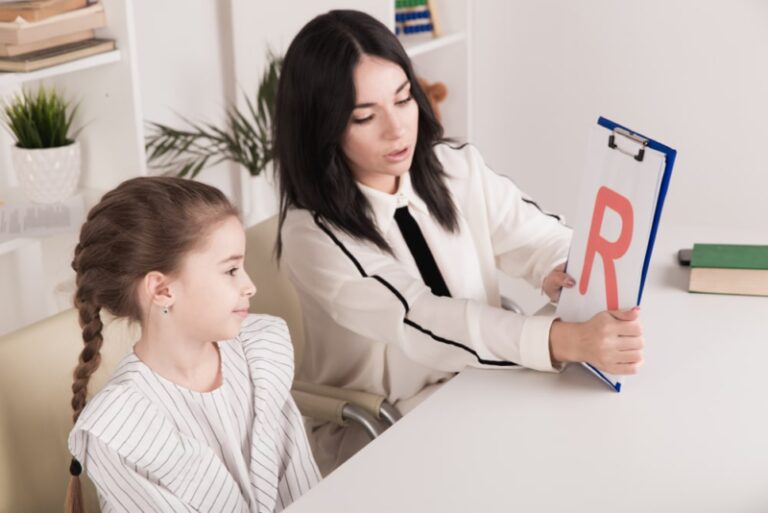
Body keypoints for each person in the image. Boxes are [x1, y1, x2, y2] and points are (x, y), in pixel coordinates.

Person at [274, 10, 644, 474]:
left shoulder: (454, 167)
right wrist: (557, 339)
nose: (397, 129)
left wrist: (562, 272)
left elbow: (541, 234)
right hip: (383, 426)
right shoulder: (312, 232)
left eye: (404, 98)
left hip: (483, 387)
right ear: (322, 129)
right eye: (365, 117)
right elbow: (419, 318)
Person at [65, 177, 319, 513]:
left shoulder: (259, 355)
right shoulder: (120, 430)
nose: (250, 286)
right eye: (230, 270)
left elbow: (308, 493)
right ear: (162, 290)